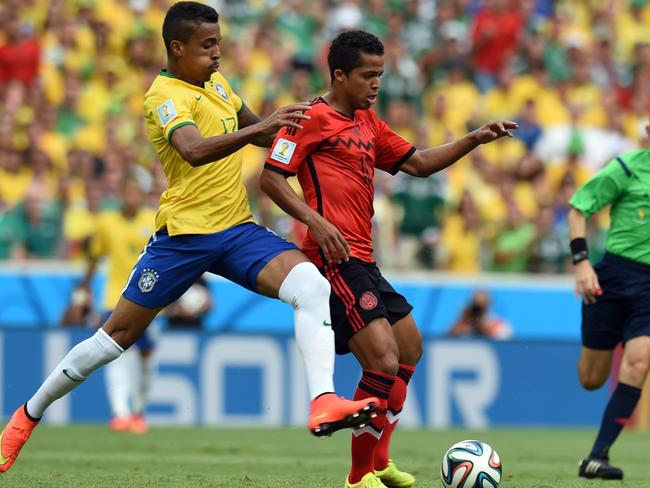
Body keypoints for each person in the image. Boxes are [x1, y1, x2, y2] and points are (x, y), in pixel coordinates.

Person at [0, 2, 378, 474]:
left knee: (312, 287)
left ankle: (323, 400)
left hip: (237, 230)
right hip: (183, 237)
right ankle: (26, 416)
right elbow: (194, 150)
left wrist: (308, 119)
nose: (218, 52)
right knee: (115, 337)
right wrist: (262, 127)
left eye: (218, 42)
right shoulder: (164, 96)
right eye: (207, 45)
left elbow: (260, 133)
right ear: (177, 48)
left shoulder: (217, 84)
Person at [260, 30, 517, 488]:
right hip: (333, 259)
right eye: (367, 75)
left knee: (409, 349)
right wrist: (315, 223)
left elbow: (418, 163)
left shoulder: (368, 123)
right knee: (381, 361)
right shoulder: (307, 119)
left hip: (365, 260)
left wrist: (474, 139)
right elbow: (272, 178)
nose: (376, 84)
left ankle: (379, 463)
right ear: (339, 75)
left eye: (380, 74)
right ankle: (359, 477)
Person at [568, 117, 650, 481]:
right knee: (591, 378)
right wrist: (582, 262)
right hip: (614, 278)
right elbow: (578, 208)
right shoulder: (627, 168)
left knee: (638, 361)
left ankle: (597, 457)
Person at [74, 178, 157, 434]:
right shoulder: (106, 222)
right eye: (127, 191)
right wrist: (84, 289)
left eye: (136, 192)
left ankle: (139, 412)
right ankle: (120, 413)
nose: (132, 196)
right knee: (115, 351)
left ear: (142, 195)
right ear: (121, 194)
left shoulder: (154, 219)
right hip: (116, 297)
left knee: (145, 356)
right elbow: (94, 256)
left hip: (152, 298)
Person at [446, 290, 513, 340]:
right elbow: (447, 338)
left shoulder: (497, 323)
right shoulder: (465, 321)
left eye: (482, 304)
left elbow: (505, 342)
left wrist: (480, 326)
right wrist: (462, 319)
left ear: (488, 303)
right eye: (476, 305)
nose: (478, 309)